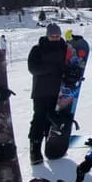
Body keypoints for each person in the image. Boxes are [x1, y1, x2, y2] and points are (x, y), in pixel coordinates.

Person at [27, 23, 67, 164]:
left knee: (53, 120)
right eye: (52, 36)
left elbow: (72, 63)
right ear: (47, 35)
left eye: (57, 36)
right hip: (41, 91)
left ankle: (50, 146)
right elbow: (32, 68)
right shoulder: (38, 49)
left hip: (59, 91)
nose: (55, 38)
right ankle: (35, 150)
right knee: (39, 119)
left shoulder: (65, 48)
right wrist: (52, 68)